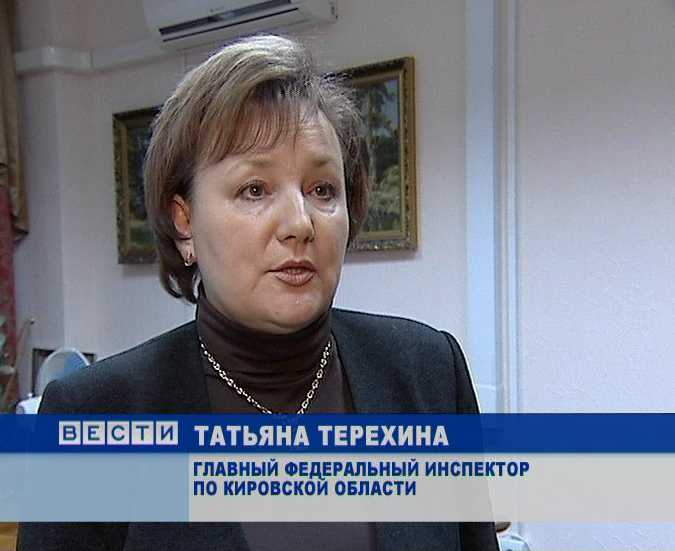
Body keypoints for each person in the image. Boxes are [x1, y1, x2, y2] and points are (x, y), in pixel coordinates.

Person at [18, 35, 498, 551]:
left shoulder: (428, 372)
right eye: (255, 190)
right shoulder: (93, 415)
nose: (299, 223)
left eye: (322, 190)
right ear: (184, 222)